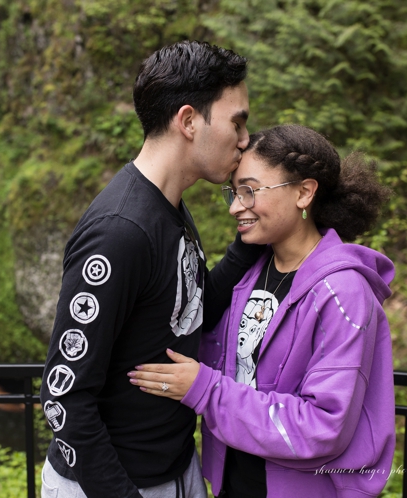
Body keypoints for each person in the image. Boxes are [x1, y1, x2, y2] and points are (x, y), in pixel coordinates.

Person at [37, 40, 262, 498]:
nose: (245, 139)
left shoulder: (169, 209)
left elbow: (190, 309)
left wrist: (250, 239)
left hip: (175, 470)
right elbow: (64, 396)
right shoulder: (120, 232)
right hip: (112, 486)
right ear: (188, 121)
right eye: (236, 122)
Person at [128, 124, 396, 497]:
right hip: (233, 484)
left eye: (250, 191)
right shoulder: (252, 273)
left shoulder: (343, 293)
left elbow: (323, 425)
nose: (237, 207)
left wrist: (207, 390)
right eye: (234, 193)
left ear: (304, 192)